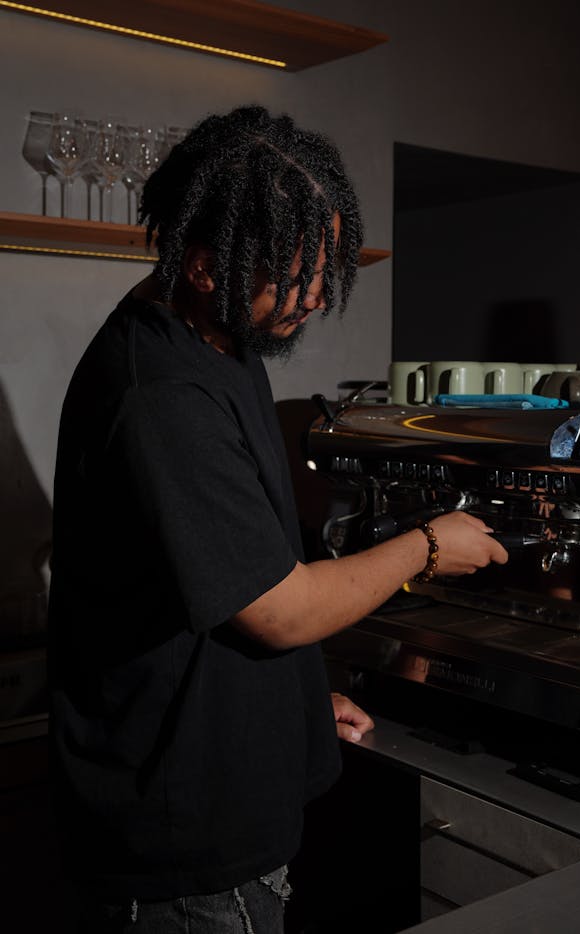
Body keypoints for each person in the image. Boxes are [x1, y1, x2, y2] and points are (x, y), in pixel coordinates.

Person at [48, 105, 508, 933]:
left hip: (220, 794)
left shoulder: (225, 346)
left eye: (323, 270)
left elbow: (237, 571)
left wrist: (292, 702)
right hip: (183, 860)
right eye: (291, 277)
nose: (313, 300)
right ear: (200, 264)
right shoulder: (162, 396)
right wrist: (427, 545)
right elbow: (278, 608)